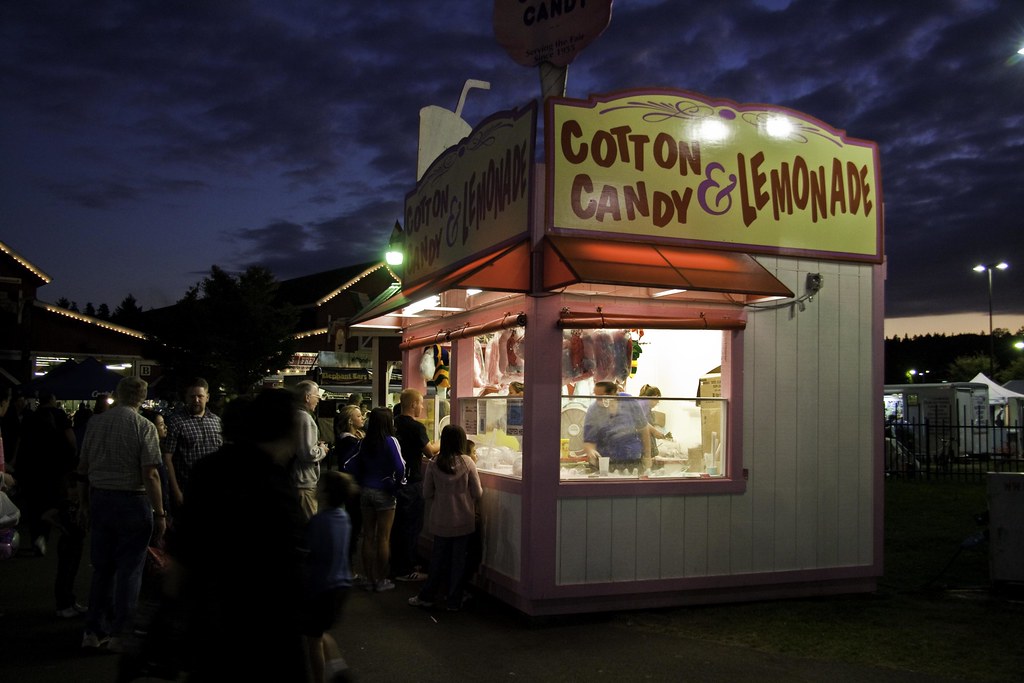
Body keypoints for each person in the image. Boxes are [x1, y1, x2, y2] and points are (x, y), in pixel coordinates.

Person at [170, 389, 309, 680]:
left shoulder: (208, 469)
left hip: (210, 625)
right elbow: (285, 570)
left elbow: (184, 553)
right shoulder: (273, 484)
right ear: (288, 429)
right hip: (263, 633)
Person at [77, 376, 166, 651]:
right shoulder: (144, 427)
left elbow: (83, 467)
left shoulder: (96, 423)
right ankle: (120, 633)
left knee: (102, 568)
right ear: (142, 397)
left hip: (100, 498)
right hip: (133, 501)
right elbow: (150, 473)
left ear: (117, 394)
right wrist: (160, 513)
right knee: (130, 569)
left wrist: (83, 504)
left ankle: (92, 630)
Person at [408, 424, 482, 611]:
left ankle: (428, 596)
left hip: (440, 519)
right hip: (464, 520)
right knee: (459, 561)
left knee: (438, 559)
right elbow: (477, 492)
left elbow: (426, 493)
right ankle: (453, 600)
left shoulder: (434, 463)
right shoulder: (467, 462)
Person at [304, 470, 356, 683]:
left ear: (325, 493)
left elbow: (308, 551)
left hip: (322, 586)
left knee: (313, 638)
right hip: (342, 585)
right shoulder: (344, 518)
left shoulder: (318, 522)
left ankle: (321, 679)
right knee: (319, 630)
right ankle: (337, 668)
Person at [348, 407, 405, 593]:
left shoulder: (364, 442)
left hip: (366, 490)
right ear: (389, 422)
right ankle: (381, 580)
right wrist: (396, 485)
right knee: (383, 538)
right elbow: (400, 467)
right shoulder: (391, 441)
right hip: (385, 492)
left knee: (368, 536)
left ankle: (368, 578)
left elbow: (351, 464)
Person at [16, 390, 77, 557]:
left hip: (33, 467)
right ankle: (57, 530)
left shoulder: (31, 416)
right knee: (57, 501)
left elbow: (20, 442)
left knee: (35, 503)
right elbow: (70, 438)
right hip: (56, 467)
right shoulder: (59, 414)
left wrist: (16, 464)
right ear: (52, 400)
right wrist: (74, 458)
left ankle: (38, 539)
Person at [391, 388, 438, 583]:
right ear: (412, 405)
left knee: (398, 526)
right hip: (411, 483)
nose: (422, 407)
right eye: (420, 403)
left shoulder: (394, 423)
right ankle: (406, 570)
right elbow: (429, 452)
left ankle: (399, 563)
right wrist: (443, 441)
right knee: (411, 526)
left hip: (396, 483)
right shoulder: (416, 428)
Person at [163, 378, 222, 510]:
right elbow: (167, 458)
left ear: (207, 397)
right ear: (186, 398)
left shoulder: (216, 421)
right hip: (187, 489)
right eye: (192, 396)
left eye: (200, 396)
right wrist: (176, 491)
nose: (196, 400)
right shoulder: (176, 422)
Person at [582, 381, 650, 474]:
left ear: (613, 393)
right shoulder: (593, 410)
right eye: (596, 396)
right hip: (606, 463)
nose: (599, 400)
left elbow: (643, 428)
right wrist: (590, 451)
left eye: (602, 396)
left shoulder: (629, 401)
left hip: (632, 460)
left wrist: (647, 456)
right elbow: (589, 441)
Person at [335, 404, 365, 582]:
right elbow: (350, 464)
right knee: (353, 528)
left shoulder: (352, 439)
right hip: (352, 486)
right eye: (359, 416)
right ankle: (348, 567)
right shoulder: (349, 442)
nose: (362, 418)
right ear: (350, 421)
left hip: (352, 486)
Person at [293, 380, 329, 521]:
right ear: (307, 397)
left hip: (296, 479)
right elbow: (308, 453)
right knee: (309, 525)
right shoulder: (305, 418)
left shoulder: (295, 415)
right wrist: (322, 450)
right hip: (304, 481)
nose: (318, 401)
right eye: (317, 397)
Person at [638, 384, 671, 473]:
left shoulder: (644, 406)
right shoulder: (643, 403)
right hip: (642, 447)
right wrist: (656, 432)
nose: (657, 403)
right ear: (655, 396)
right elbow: (642, 422)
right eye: (657, 400)